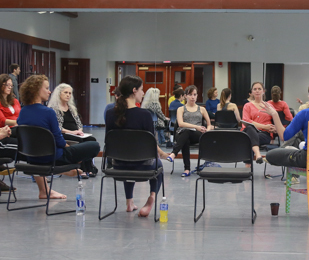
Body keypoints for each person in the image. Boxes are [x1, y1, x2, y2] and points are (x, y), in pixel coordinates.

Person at [17, 75, 100, 199]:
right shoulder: (48, 112)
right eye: (46, 88)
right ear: (37, 90)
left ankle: (49, 186)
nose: (49, 91)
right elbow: (58, 139)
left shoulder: (23, 111)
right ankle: (65, 169)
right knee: (94, 145)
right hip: (53, 157)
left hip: (31, 157)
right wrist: (68, 148)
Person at [105, 75, 169, 216]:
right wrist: (162, 154)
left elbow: (108, 140)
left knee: (128, 156)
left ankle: (129, 203)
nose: (143, 93)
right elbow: (151, 143)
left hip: (118, 165)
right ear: (134, 90)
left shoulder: (110, 113)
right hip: (144, 166)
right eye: (141, 89)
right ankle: (151, 198)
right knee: (159, 166)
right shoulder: (144, 115)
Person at [47, 83, 98, 178]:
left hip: (76, 133)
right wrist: (73, 132)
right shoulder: (53, 109)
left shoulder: (71, 108)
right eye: (65, 92)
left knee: (91, 140)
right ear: (59, 94)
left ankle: (89, 166)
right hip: (64, 134)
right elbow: (58, 128)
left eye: (70, 93)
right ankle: (81, 168)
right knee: (80, 142)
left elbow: (78, 122)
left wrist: (80, 130)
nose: (68, 95)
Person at [167, 85, 213, 176]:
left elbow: (209, 124)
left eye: (195, 94)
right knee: (185, 137)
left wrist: (206, 131)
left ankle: (173, 153)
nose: (193, 97)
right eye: (190, 94)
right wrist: (196, 126)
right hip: (183, 133)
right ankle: (187, 169)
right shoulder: (181, 109)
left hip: (197, 134)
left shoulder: (202, 109)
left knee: (186, 132)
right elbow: (180, 124)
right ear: (185, 96)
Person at [242, 82, 278, 165]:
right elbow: (247, 122)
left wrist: (275, 128)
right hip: (249, 131)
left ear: (263, 91)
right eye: (255, 89)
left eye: (259, 89)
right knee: (250, 129)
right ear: (252, 92)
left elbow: (276, 121)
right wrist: (265, 126)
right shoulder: (247, 106)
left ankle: (248, 167)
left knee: (249, 139)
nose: (257, 91)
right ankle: (258, 154)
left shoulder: (269, 106)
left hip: (264, 135)